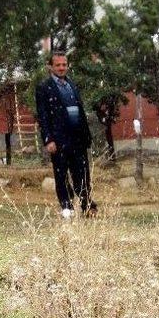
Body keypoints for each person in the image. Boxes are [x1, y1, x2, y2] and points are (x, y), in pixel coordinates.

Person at [35, 51, 96, 218]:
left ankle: (88, 206)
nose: (62, 68)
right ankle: (67, 208)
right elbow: (43, 116)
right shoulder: (44, 88)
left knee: (82, 174)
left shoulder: (71, 85)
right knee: (61, 176)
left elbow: (81, 112)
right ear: (50, 67)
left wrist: (86, 136)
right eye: (58, 65)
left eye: (64, 64)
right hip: (59, 140)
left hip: (78, 139)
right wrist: (48, 139)